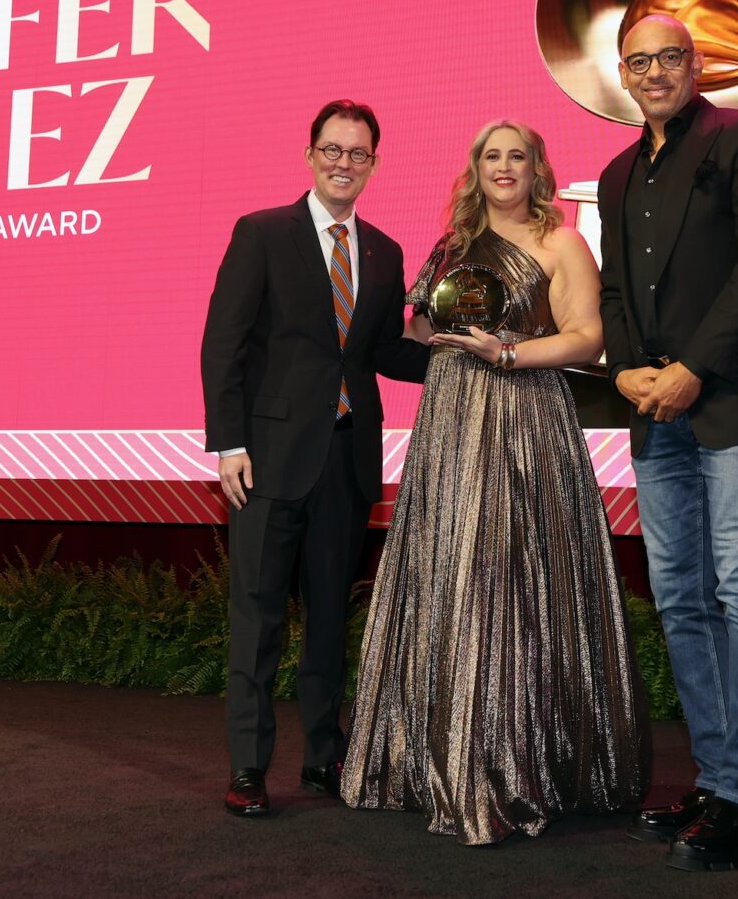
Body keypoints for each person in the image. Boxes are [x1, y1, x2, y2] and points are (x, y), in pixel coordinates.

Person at [341, 119, 650, 845]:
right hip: (450, 419)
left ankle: (515, 765)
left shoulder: (563, 241)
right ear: (474, 168)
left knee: (510, 576)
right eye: (491, 156)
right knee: (449, 572)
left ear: (538, 168)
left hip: (523, 417)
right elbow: (420, 332)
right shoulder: (451, 246)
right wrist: (416, 327)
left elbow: (587, 336)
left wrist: (508, 353)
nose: (504, 167)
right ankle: (432, 761)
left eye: (517, 156)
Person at [596, 13, 738, 871]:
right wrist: (625, 373)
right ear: (625, 73)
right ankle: (720, 778)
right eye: (639, 62)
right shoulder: (616, 172)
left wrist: (692, 367)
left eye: (669, 58)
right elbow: (614, 289)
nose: (654, 73)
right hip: (656, 408)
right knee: (681, 596)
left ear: (696, 63)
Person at [200, 99, 429, 818]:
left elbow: (381, 353)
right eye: (332, 150)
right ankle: (247, 768)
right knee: (258, 617)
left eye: (357, 154)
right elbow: (223, 345)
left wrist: (454, 349)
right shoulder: (262, 233)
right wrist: (228, 443)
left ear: (374, 165)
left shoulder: (386, 252)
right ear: (310, 155)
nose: (343, 163)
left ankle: (324, 759)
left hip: (346, 459)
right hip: (265, 461)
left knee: (329, 618)